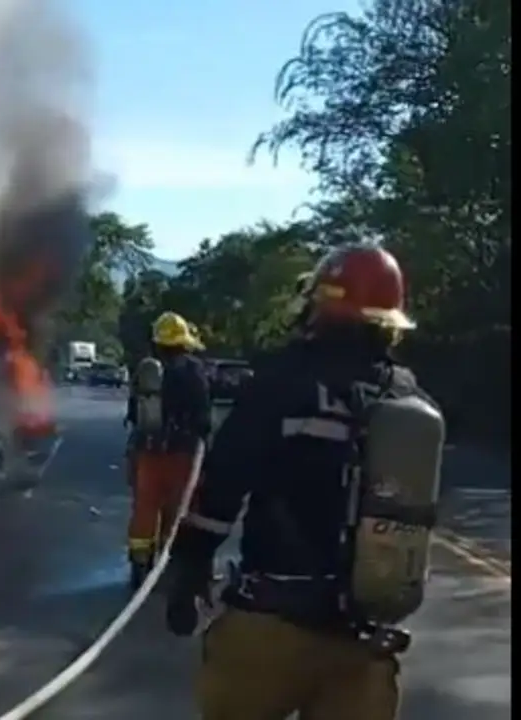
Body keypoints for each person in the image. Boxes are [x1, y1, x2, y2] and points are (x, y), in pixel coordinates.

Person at [165, 245, 445, 720]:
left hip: (272, 629)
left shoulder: (282, 380)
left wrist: (189, 568)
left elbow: (222, 486)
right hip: (363, 644)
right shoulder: (408, 398)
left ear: (321, 303)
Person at [124, 311, 213, 589]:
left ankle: (140, 564)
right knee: (178, 510)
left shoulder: (147, 370)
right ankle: (169, 565)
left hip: (147, 453)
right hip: (182, 455)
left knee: (144, 509)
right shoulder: (193, 370)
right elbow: (203, 417)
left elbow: (134, 413)